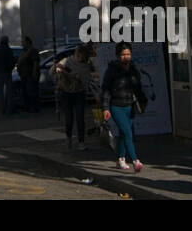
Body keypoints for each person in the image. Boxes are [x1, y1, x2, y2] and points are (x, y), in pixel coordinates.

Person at [101, 42, 147, 172]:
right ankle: (135, 160)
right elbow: (106, 90)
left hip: (129, 106)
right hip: (116, 106)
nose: (126, 57)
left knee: (124, 133)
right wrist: (105, 107)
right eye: (123, 55)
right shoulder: (112, 70)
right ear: (117, 56)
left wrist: (143, 101)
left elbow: (138, 88)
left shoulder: (134, 70)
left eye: (128, 54)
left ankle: (120, 159)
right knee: (127, 133)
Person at [55, 44, 97, 149]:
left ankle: (81, 142)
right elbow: (57, 68)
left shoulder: (86, 65)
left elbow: (87, 78)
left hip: (79, 92)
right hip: (66, 92)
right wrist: (68, 74)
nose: (78, 56)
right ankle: (69, 138)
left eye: (80, 54)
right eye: (77, 54)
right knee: (69, 118)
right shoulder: (67, 61)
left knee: (80, 118)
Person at [0, 36, 16, 117]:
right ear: (7, 41)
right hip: (7, 73)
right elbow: (12, 61)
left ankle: (2, 109)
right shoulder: (8, 50)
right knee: (9, 92)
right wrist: (10, 68)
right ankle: (9, 109)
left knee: (0, 92)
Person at [15, 36, 41, 114]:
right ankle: (27, 107)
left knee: (31, 92)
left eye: (23, 42)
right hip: (24, 75)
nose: (22, 44)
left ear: (28, 43)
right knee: (25, 92)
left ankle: (33, 108)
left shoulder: (32, 51)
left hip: (29, 75)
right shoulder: (24, 51)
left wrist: (34, 73)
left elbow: (35, 62)